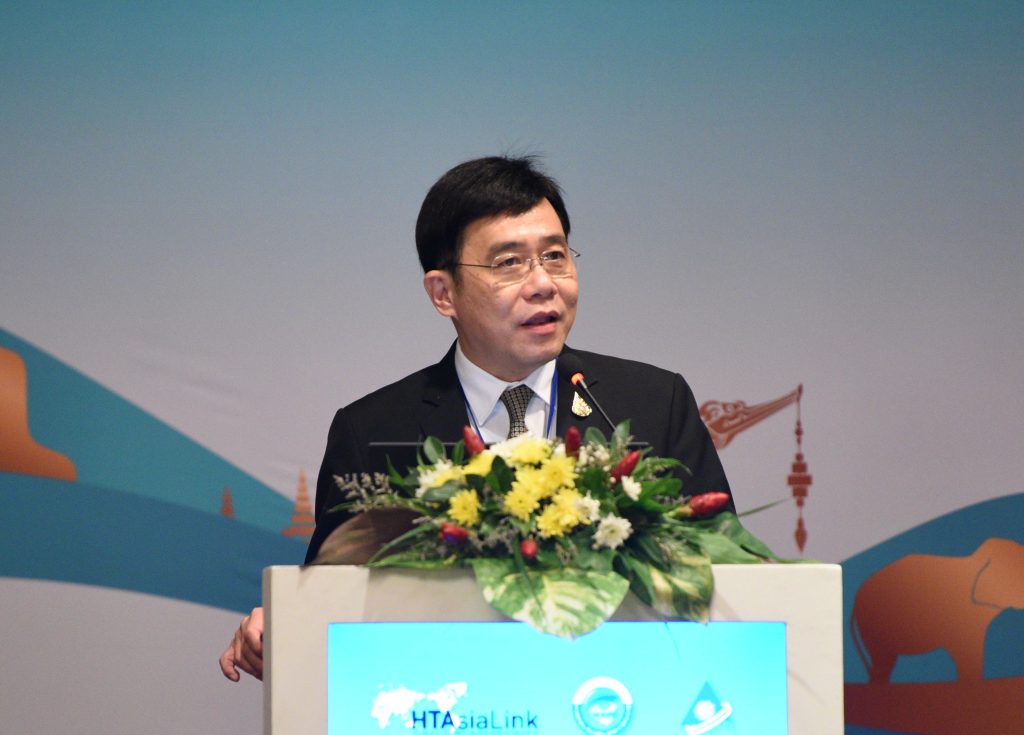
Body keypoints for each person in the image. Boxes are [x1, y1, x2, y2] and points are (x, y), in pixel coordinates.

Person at [219, 155, 732, 682]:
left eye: (555, 256)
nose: (543, 283)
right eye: (509, 263)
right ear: (444, 294)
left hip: (620, 695)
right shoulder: (373, 431)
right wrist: (282, 625)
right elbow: (334, 599)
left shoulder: (652, 404)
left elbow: (723, 574)